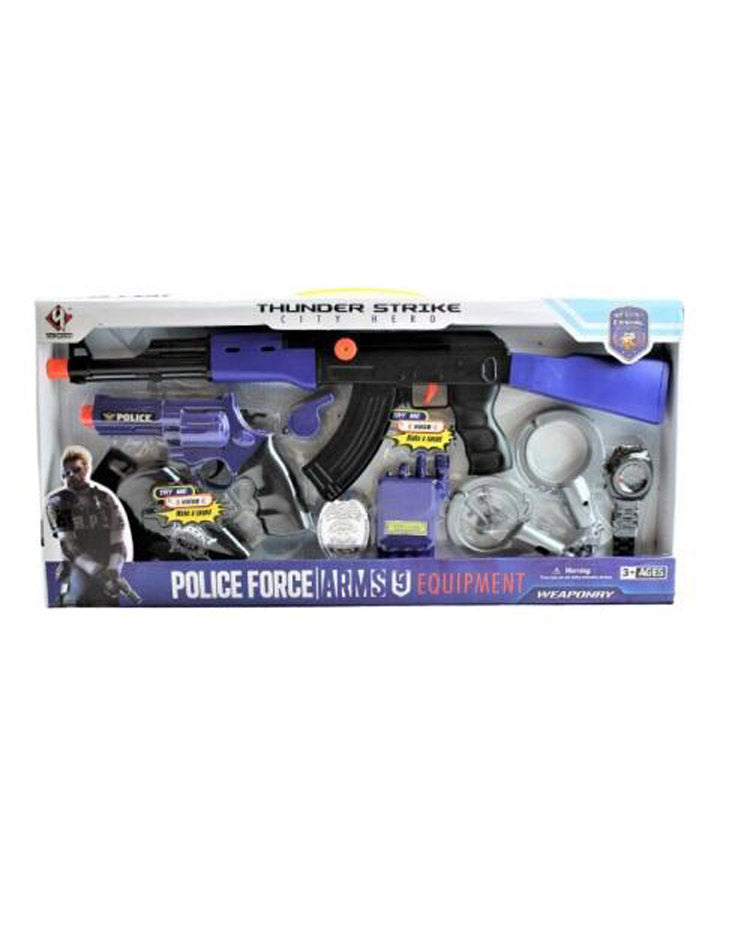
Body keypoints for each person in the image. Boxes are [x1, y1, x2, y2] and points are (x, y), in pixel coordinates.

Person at [45, 446, 134, 606]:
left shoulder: (105, 498)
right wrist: (96, 570)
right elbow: (69, 546)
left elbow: (118, 541)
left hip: (106, 563)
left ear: (87, 468)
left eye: (76, 470)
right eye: (66, 473)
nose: (71, 476)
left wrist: (113, 570)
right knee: (75, 595)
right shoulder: (58, 502)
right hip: (77, 565)